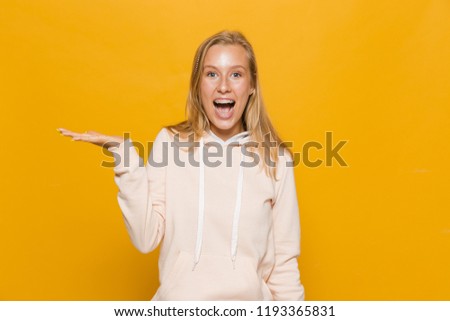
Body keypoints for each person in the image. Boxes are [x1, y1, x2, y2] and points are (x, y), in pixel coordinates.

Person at [58, 30, 305, 300]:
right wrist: (126, 159)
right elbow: (145, 238)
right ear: (198, 85)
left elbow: (284, 267)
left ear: (251, 85)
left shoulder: (276, 159)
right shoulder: (170, 143)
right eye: (211, 74)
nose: (224, 86)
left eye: (236, 74)